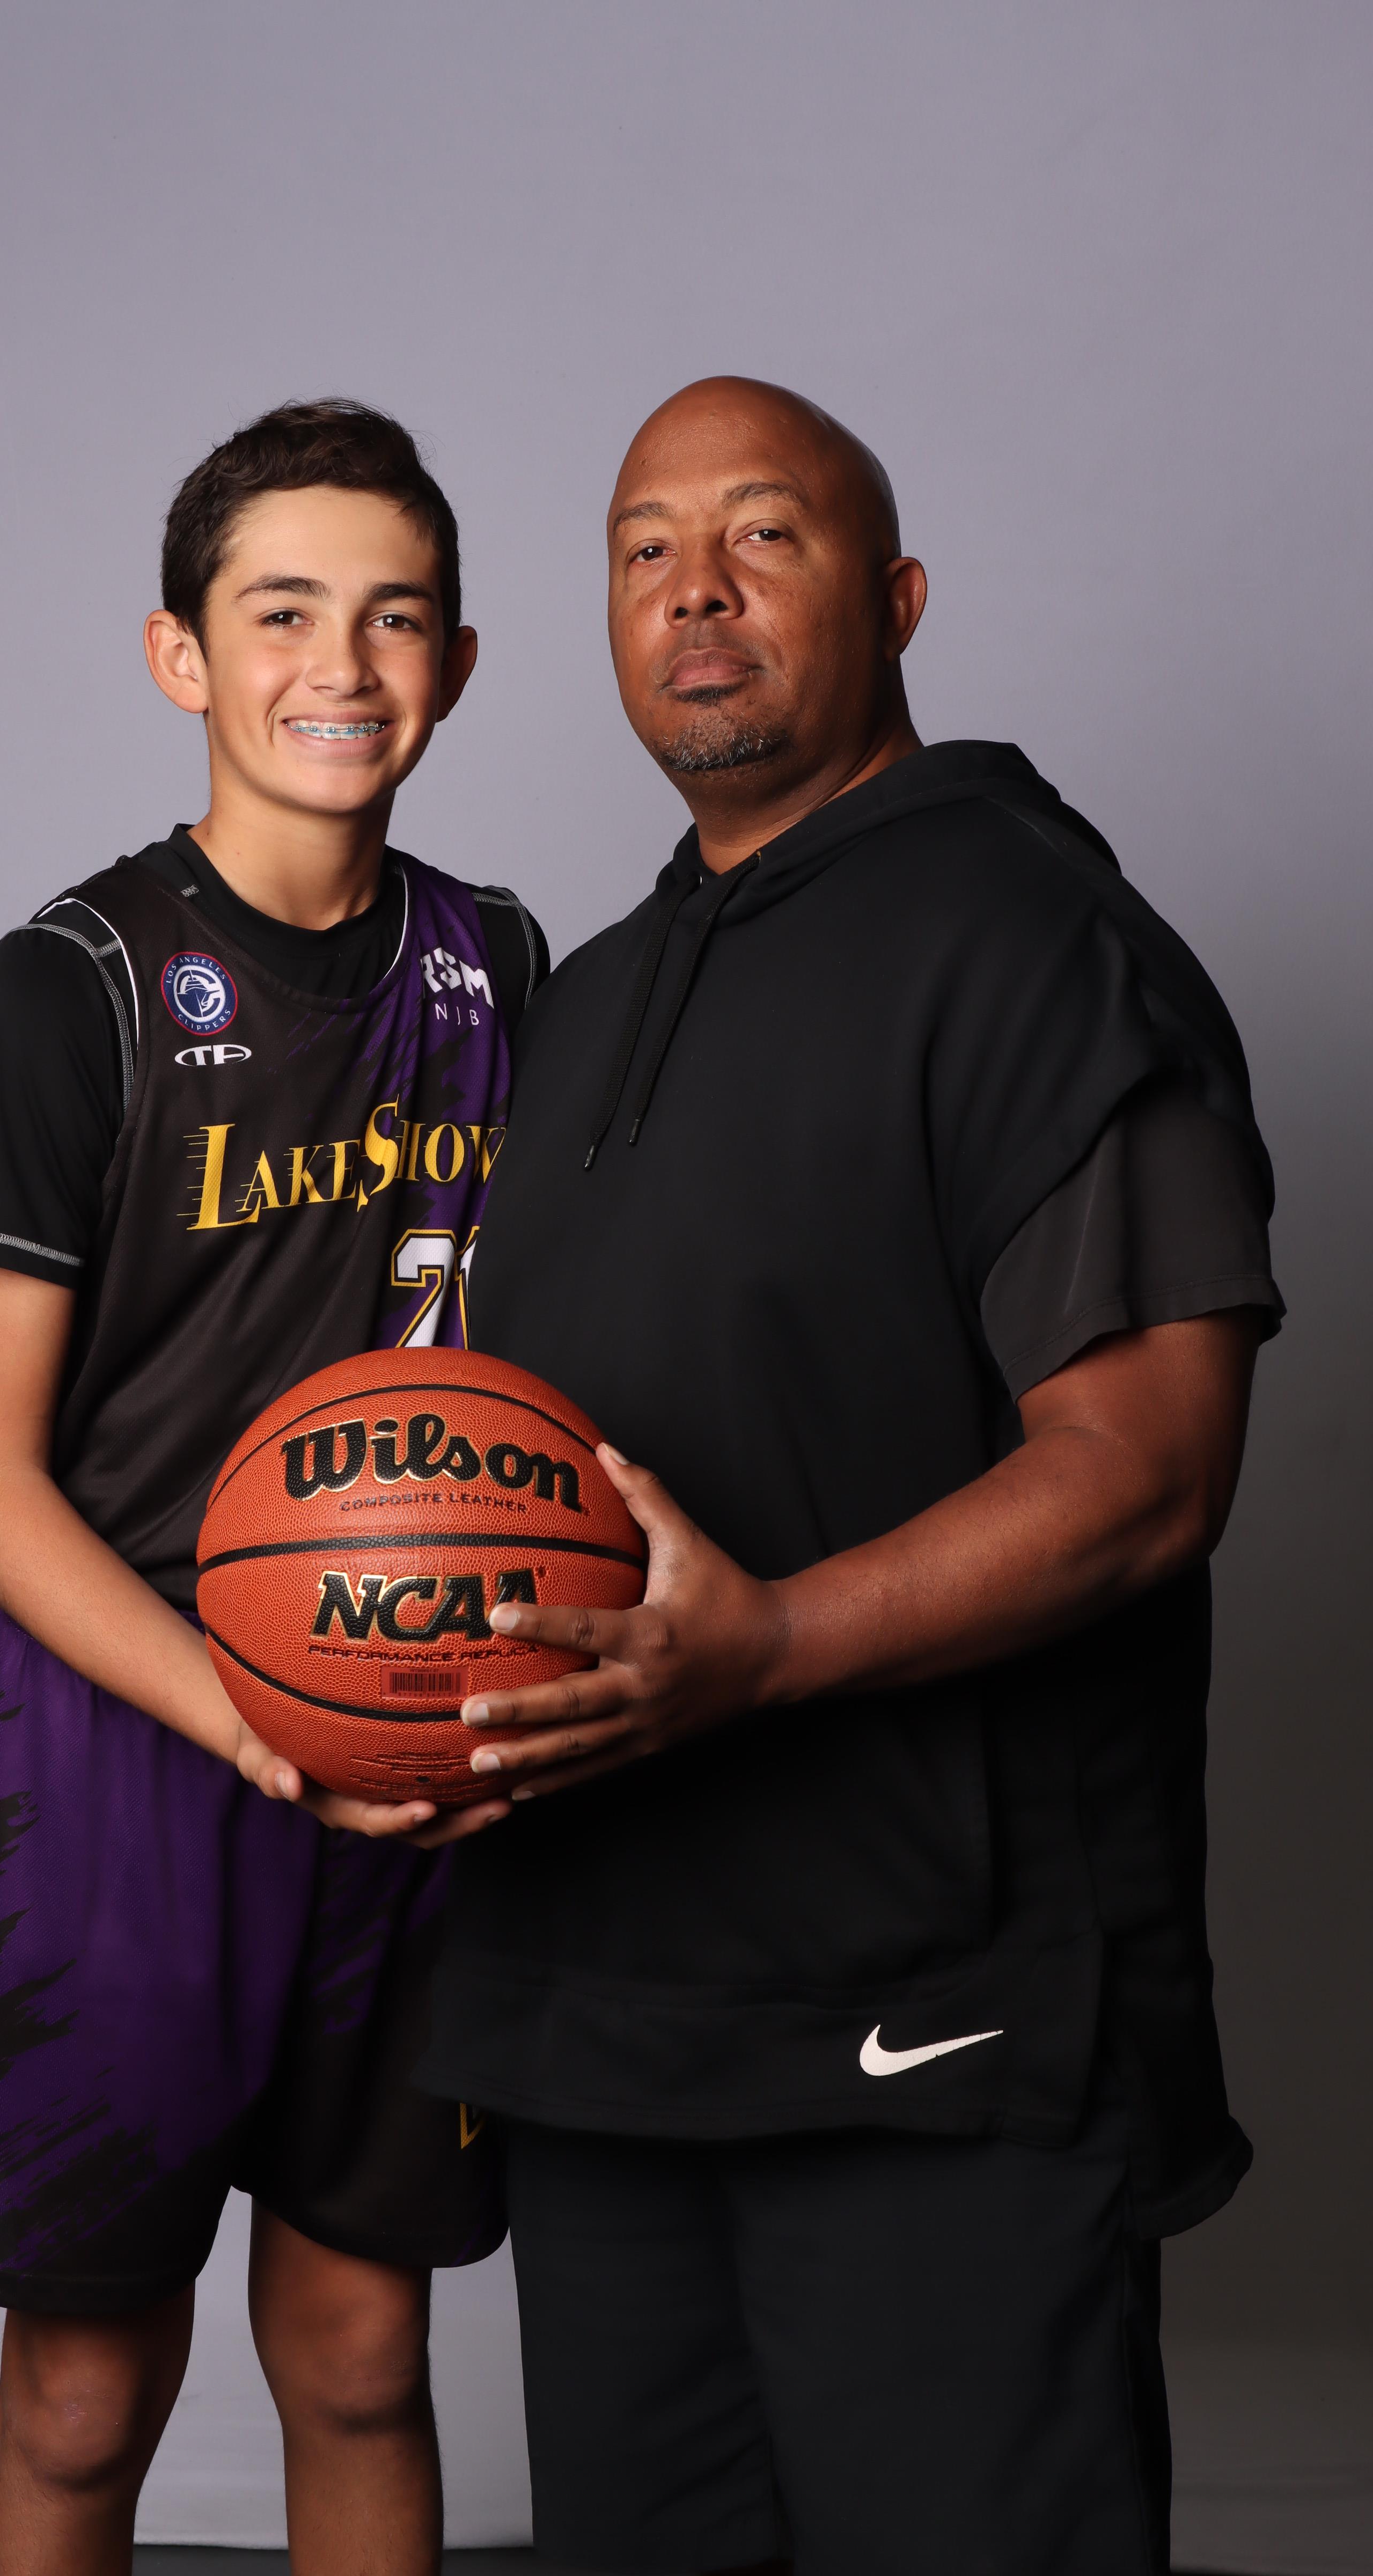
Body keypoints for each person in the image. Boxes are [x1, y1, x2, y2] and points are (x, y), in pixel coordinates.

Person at [418, 378, 1282, 2575]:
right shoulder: (587, 1004)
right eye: (644, 550)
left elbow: (1147, 1470)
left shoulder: (1032, 942)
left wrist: (773, 1644)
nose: (693, 591)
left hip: (937, 2028)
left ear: (894, 598)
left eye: (763, 536)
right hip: (606, 2024)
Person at [0, 399, 537, 2576]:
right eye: (281, 613)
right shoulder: (60, 994)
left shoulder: (502, 966)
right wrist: (252, 1715)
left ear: (456, 663)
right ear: (182, 654)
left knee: (361, 2355)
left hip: (414, 1731)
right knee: (85, 2391)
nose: (340, 666)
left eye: (394, 617)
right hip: (131, 1742)